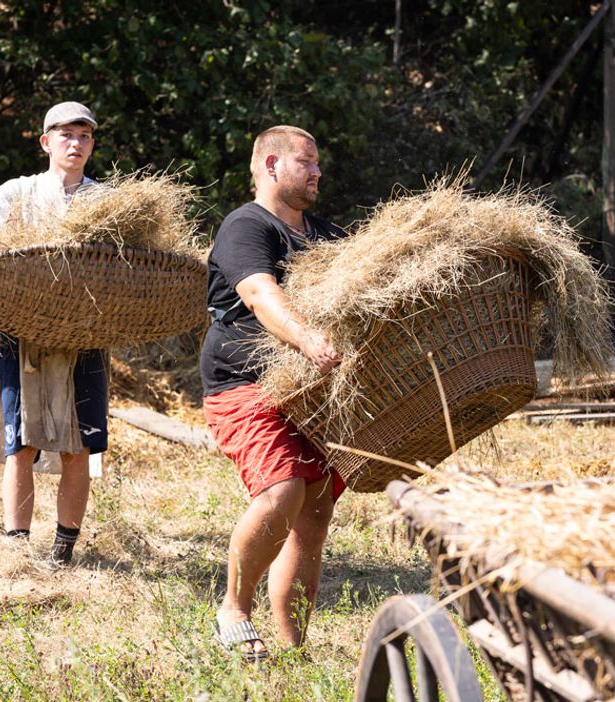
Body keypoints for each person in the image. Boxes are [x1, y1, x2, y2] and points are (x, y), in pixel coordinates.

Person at [201, 125, 347, 660]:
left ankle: (292, 648)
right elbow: (262, 294)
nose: (316, 172)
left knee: (313, 514)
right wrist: (308, 338)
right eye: (305, 162)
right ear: (269, 165)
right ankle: (232, 610)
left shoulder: (326, 236)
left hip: (313, 395)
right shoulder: (246, 226)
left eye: (317, 164)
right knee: (282, 490)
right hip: (243, 384)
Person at [0, 101, 108, 565]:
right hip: (22, 333)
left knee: (80, 445)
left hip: (85, 338)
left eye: (84, 135)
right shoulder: (16, 193)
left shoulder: (107, 201)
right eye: (66, 135)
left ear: (92, 144)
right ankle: (18, 552)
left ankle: (62, 554)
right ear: (46, 142)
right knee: (21, 443)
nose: (76, 143)